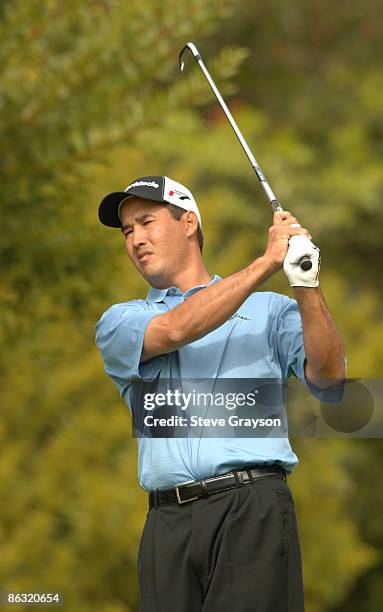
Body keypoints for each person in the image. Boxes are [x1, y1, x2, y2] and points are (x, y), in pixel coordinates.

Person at [95, 175, 345, 612]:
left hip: (251, 509)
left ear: (188, 222)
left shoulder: (269, 309)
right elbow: (178, 328)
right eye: (127, 231)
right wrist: (266, 262)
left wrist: (305, 284)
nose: (136, 239)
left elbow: (330, 382)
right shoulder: (122, 320)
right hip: (165, 522)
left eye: (147, 222)